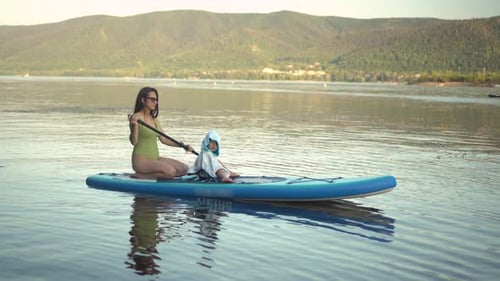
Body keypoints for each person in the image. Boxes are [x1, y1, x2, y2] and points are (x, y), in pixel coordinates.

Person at [128, 87, 193, 179]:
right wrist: (134, 126)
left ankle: (155, 174)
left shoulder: (154, 119)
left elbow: (164, 139)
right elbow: (134, 142)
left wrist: (182, 146)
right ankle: (139, 175)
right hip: (141, 160)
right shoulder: (136, 118)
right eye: (152, 99)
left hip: (155, 158)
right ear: (143, 100)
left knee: (184, 169)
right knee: (170, 172)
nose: (156, 102)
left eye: (156, 100)